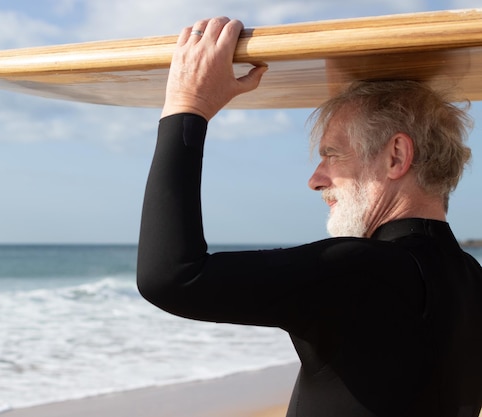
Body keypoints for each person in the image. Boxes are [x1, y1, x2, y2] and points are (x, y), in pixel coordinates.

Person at [136, 17, 482, 417]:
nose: (315, 181)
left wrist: (187, 107)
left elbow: (171, 276)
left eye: (331, 155)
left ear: (396, 157)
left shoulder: (361, 271)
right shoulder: (471, 282)